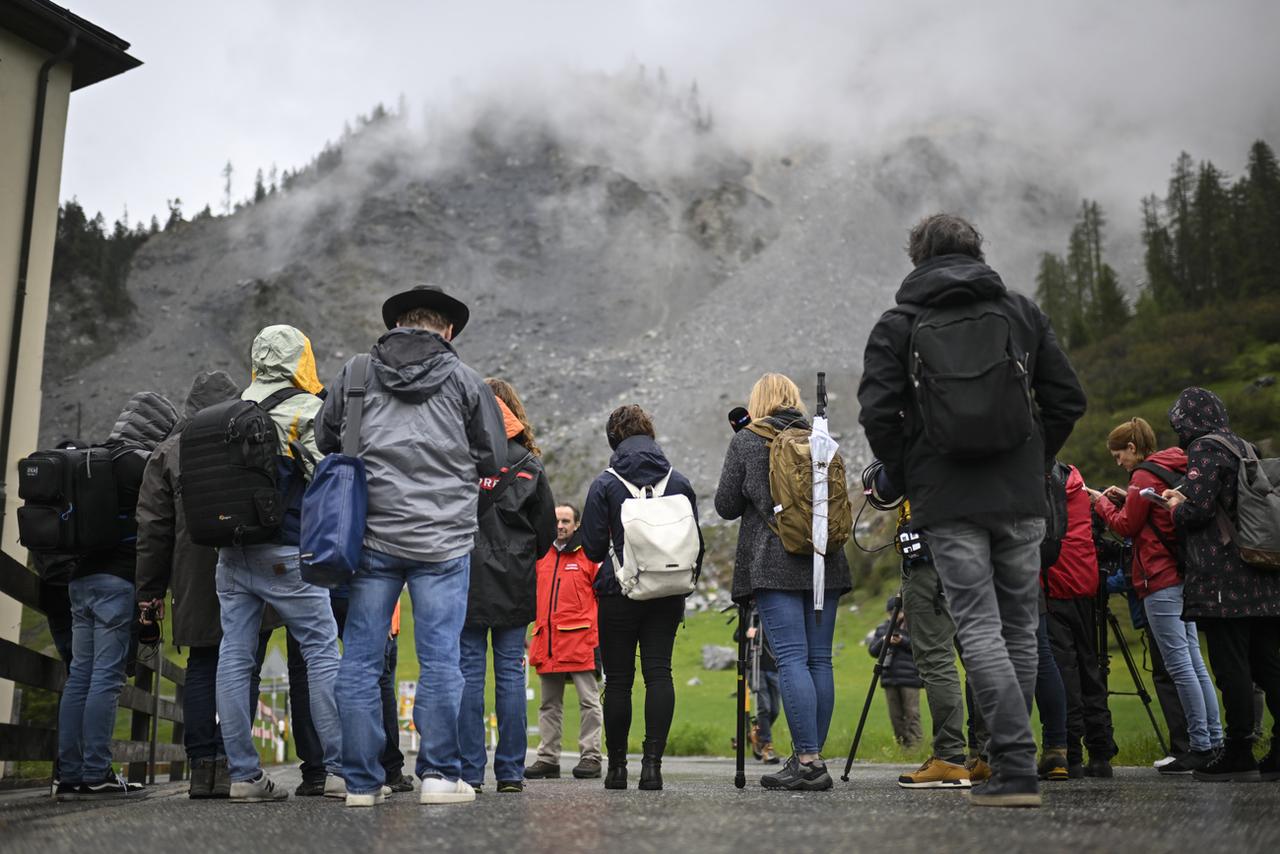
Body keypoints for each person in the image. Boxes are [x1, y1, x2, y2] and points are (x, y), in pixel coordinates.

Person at [858, 213, 1087, 808]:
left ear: (918, 259)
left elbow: (879, 415)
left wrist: (910, 475)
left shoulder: (900, 324)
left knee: (978, 627)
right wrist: (1036, 461)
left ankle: (1014, 768)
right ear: (976, 251)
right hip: (1019, 496)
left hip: (948, 501)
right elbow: (1067, 399)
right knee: (1019, 628)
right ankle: (1011, 761)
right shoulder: (1020, 311)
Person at [320, 285, 506, 807]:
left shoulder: (356, 372)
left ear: (398, 323)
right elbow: (493, 458)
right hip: (443, 541)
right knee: (441, 658)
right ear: (446, 330)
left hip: (370, 537)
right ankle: (439, 777)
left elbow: (326, 437)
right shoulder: (468, 382)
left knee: (359, 659)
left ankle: (360, 783)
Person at [213, 325, 343, 803]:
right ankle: (339, 770)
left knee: (235, 654)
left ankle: (244, 776)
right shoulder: (305, 410)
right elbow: (328, 475)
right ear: (299, 359)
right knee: (321, 651)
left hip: (230, 554)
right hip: (286, 552)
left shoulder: (225, 411)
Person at [715, 373, 851, 792]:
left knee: (790, 659)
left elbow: (725, 505)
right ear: (793, 400)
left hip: (774, 561)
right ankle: (813, 757)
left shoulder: (748, 439)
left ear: (758, 402)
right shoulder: (818, 437)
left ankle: (807, 760)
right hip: (824, 559)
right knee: (820, 660)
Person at [56, 392, 178, 800]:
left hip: (80, 581)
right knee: (106, 680)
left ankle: (70, 773)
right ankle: (95, 772)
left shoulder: (92, 458)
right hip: (118, 582)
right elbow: (156, 528)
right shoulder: (141, 466)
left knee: (79, 677)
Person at [1087, 416, 1223, 774]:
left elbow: (1125, 525)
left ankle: (1199, 745)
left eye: (1119, 456)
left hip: (1158, 579)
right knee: (1194, 661)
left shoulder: (1143, 476)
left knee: (1180, 666)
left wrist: (1102, 502)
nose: (1120, 462)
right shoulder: (1170, 465)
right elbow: (1143, 511)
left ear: (1132, 448)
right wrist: (1125, 495)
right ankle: (1214, 738)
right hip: (1181, 575)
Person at [581, 404, 704, 791]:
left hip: (619, 592)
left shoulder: (606, 483)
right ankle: (653, 767)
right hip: (667, 592)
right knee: (659, 673)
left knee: (618, 681)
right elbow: (695, 543)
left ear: (614, 440)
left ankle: (617, 768)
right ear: (650, 436)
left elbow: (592, 550)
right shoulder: (679, 482)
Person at [1162, 387, 1280, 782]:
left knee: (1232, 668)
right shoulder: (1242, 446)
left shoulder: (1205, 449)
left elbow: (1198, 510)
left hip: (1223, 579)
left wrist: (1175, 506)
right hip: (1261, 570)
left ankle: (1239, 752)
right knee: (1267, 664)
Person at [136, 371, 243, 798]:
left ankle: (201, 767)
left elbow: (153, 531)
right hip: (243, 566)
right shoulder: (249, 438)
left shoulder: (166, 453)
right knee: (241, 665)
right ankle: (233, 762)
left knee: (201, 664)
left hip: (192, 574)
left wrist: (149, 592)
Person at [459, 378, 556, 793]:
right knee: (511, 676)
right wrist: (520, 556)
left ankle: (467, 771)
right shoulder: (528, 464)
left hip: (464, 579)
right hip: (515, 581)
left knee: (468, 673)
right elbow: (547, 530)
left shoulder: (460, 458)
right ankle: (511, 773)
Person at [1043, 463, 1117, 778]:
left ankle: (1069, 754)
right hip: (1086, 583)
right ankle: (1100, 753)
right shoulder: (1075, 479)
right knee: (1091, 668)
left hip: (1054, 585)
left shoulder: (1040, 484)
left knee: (1064, 674)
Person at [526, 503, 605, 781]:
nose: (560, 526)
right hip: (547, 643)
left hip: (581, 643)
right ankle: (547, 758)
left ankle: (591, 757)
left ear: (577, 525)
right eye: (556, 521)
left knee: (589, 701)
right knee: (549, 704)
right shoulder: (541, 556)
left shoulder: (589, 556)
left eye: (566, 521)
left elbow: (603, 597)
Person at [868, 598, 923, 749]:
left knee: (912, 714)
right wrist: (885, 640)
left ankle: (916, 748)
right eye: (894, 612)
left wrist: (902, 641)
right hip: (889, 678)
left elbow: (920, 647)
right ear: (888, 612)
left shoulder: (912, 627)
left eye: (899, 611)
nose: (897, 615)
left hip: (910, 678)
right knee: (896, 717)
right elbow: (872, 651)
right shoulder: (882, 629)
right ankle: (903, 748)